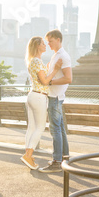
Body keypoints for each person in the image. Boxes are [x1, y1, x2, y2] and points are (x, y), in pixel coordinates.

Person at [21, 36, 62, 170]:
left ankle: (28, 155)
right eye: (43, 44)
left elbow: (42, 72)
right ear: (37, 46)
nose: (45, 45)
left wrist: (50, 65)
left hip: (32, 95)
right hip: (39, 97)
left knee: (31, 127)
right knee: (40, 127)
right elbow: (44, 81)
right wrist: (55, 69)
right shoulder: (37, 61)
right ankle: (28, 155)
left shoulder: (34, 61)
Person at [38, 29, 72, 173]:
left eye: (50, 41)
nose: (49, 44)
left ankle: (57, 161)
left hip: (55, 97)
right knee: (60, 128)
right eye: (47, 42)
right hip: (56, 97)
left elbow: (68, 78)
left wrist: (50, 83)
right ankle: (64, 157)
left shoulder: (63, 56)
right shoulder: (55, 56)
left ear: (58, 39)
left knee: (55, 129)